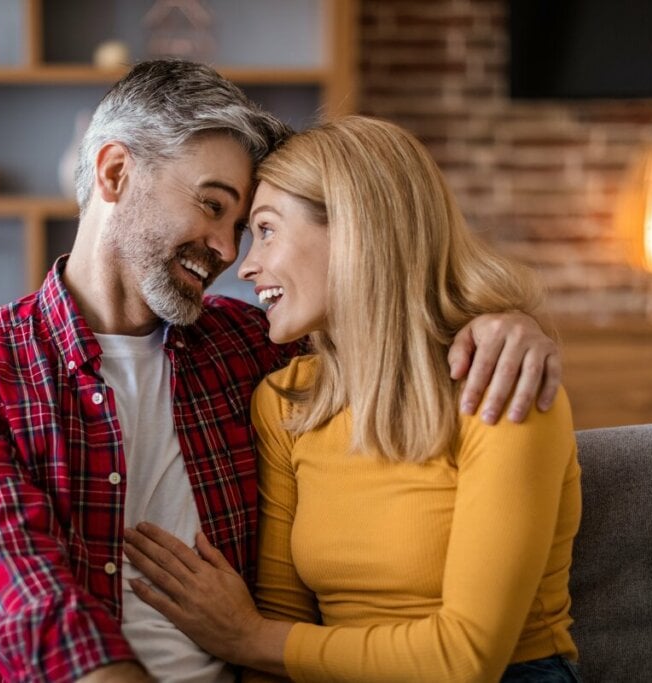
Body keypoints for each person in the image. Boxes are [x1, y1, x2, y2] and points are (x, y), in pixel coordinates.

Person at [0, 61, 562, 683]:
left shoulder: (252, 352)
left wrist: (505, 323)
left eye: (248, 226)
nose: (228, 251)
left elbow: (387, 342)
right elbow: (26, 609)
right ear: (115, 173)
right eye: (213, 205)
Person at [123, 115, 582, 682]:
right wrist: (256, 642)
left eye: (266, 230)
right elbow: (284, 624)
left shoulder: (499, 387)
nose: (244, 266)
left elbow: (465, 659)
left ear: (354, 228)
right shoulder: (287, 400)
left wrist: (247, 637)